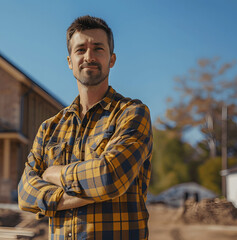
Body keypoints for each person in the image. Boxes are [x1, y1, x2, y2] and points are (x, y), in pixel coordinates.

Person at [18, 15, 153, 240]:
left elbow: (109, 176)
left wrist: (53, 173)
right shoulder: (49, 129)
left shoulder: (132, 114)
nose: (89, 56)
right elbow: (24, 194)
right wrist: (95, 192)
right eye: (80, 49)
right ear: (70, 61)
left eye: (98, 49)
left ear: (112, 59)